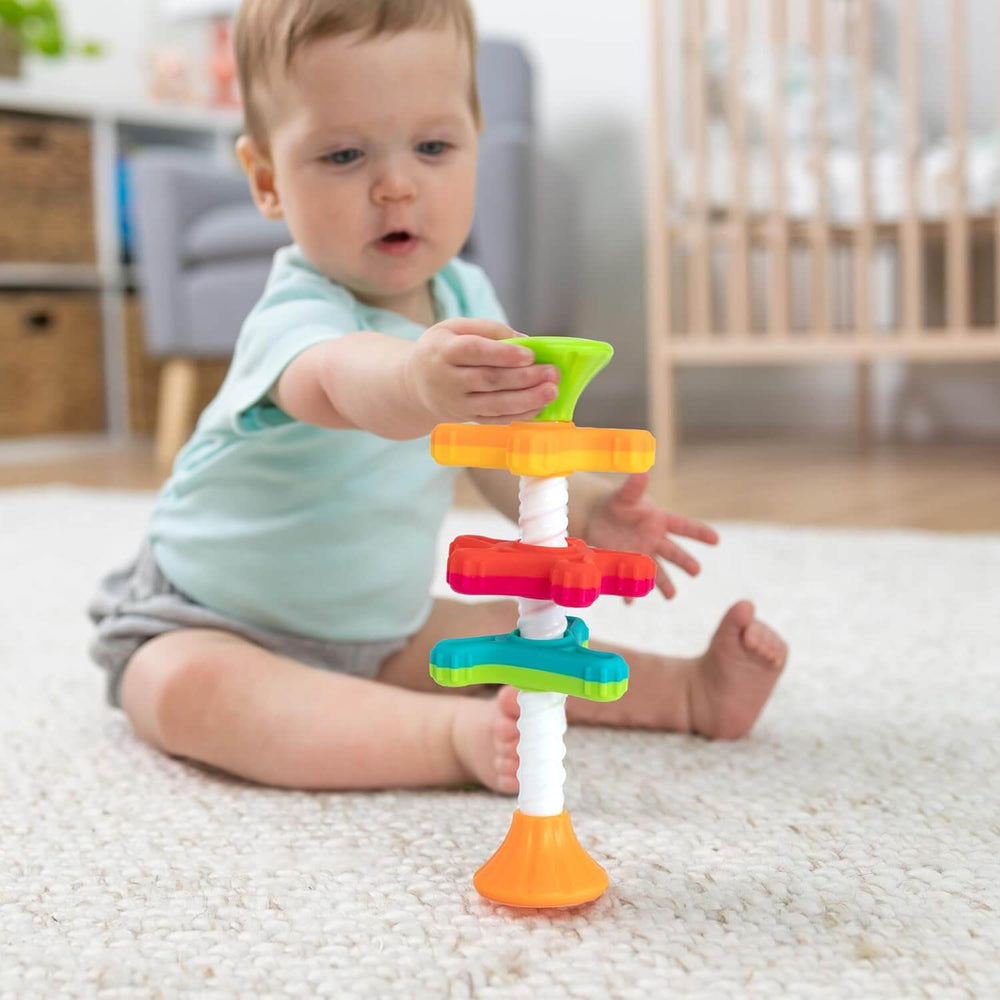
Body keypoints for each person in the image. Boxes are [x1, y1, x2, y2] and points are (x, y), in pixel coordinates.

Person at [89, 0, 788, 795]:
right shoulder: (297, 311)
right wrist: (418, 380)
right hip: (207, 617)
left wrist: (591, 509)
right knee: (181, 692)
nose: (395, 185)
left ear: (475, 146)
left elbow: (499, 457)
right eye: (345, 154)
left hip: (382, 628)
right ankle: (446, 739)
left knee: (524, 628)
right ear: (266, 180)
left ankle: (690, 693)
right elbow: (342, 382)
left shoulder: (466, 296)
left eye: (432, 146)